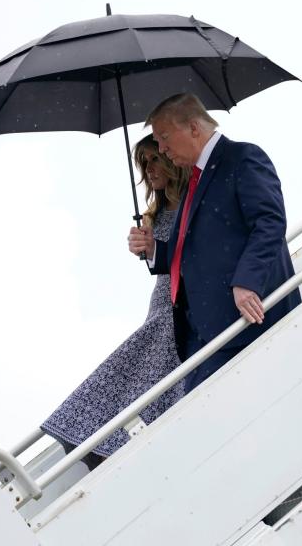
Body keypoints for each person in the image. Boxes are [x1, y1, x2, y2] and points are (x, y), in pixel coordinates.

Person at [127, 93, 301, 392]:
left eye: (164, 137)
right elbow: (191, 251)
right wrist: (155, 248)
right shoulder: (193, 180)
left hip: (244, 324)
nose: (162, 148)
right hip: (202, 336)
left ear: (194, 128)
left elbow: (269, 223)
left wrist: (248, 281)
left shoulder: (243, 157)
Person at [41, 135, 189, 467]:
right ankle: (90, 437)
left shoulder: (191, 201)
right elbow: (160, 262)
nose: (149, 169)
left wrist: (155, 249)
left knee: (156, 371)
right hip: (163, 300)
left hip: (182, 304)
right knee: (136, 369)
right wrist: (147, 247)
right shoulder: (155, 212)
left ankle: (112, 442)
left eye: (154, 159)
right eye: (144, 163)